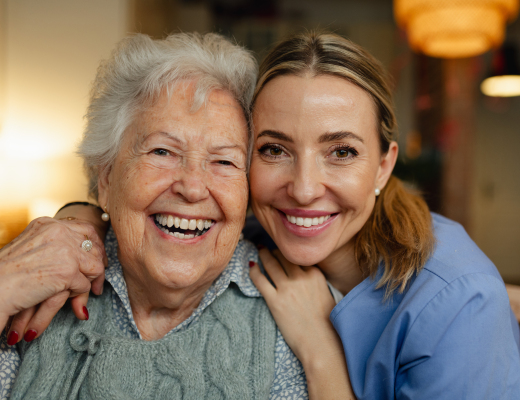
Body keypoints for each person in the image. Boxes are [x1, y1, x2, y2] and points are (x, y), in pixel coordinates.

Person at [4, 32, 520, 399]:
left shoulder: (458, 299)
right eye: (274, 150)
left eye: (342, 151)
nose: (302, 189)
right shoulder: (244, 232)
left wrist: (321, 351)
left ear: (384, 165)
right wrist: (80, 221)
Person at [0, 32, 310, 399]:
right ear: (107, 176)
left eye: (224, 161)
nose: (193, 188)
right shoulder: (38, 282)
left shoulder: (291, 319)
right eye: (162, 151)